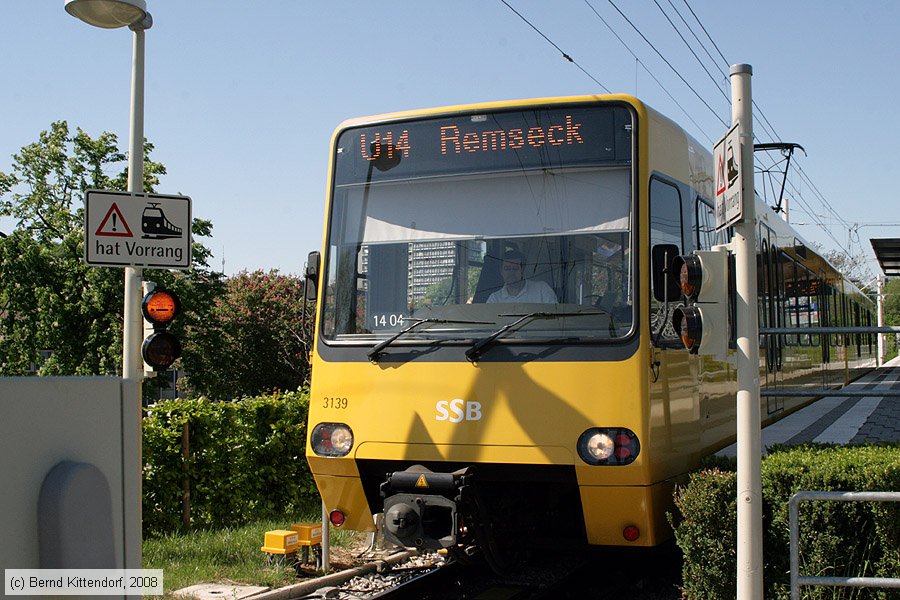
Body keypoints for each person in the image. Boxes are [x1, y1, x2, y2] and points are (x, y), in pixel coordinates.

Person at [487, 250, 557, 303]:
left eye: (515, 268)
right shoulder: (494, 299)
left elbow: (555, 319)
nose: (511, 272)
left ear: (523, 270)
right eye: (507, 268)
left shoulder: (542, 290)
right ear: (501, 271)